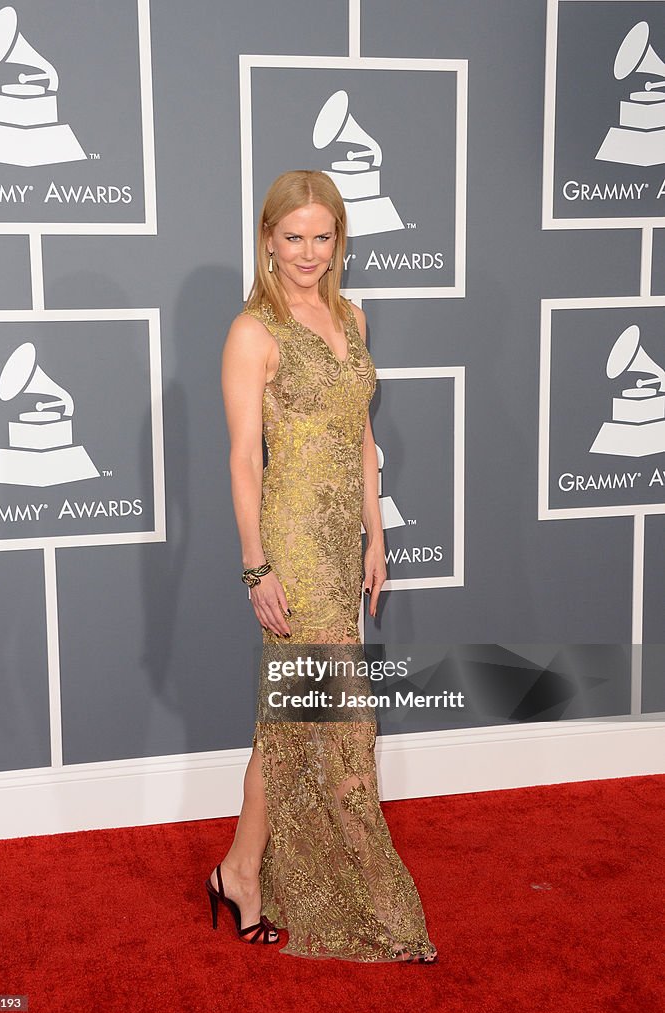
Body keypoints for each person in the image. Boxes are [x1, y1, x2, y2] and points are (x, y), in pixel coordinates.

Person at [208, 169, 438, 963]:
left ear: (339, 240)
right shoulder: (253, 331)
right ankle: (253, 871)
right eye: (293, 236)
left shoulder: (352, 316)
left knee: (294, 715)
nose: (308, 252)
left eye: (323, 236)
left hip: (344, 547)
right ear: (268, 239)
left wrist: (377, 536)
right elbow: (243, 459)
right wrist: (254, 566)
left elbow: (362, 443)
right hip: (294, 548)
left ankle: (239, 870)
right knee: (314, 716)